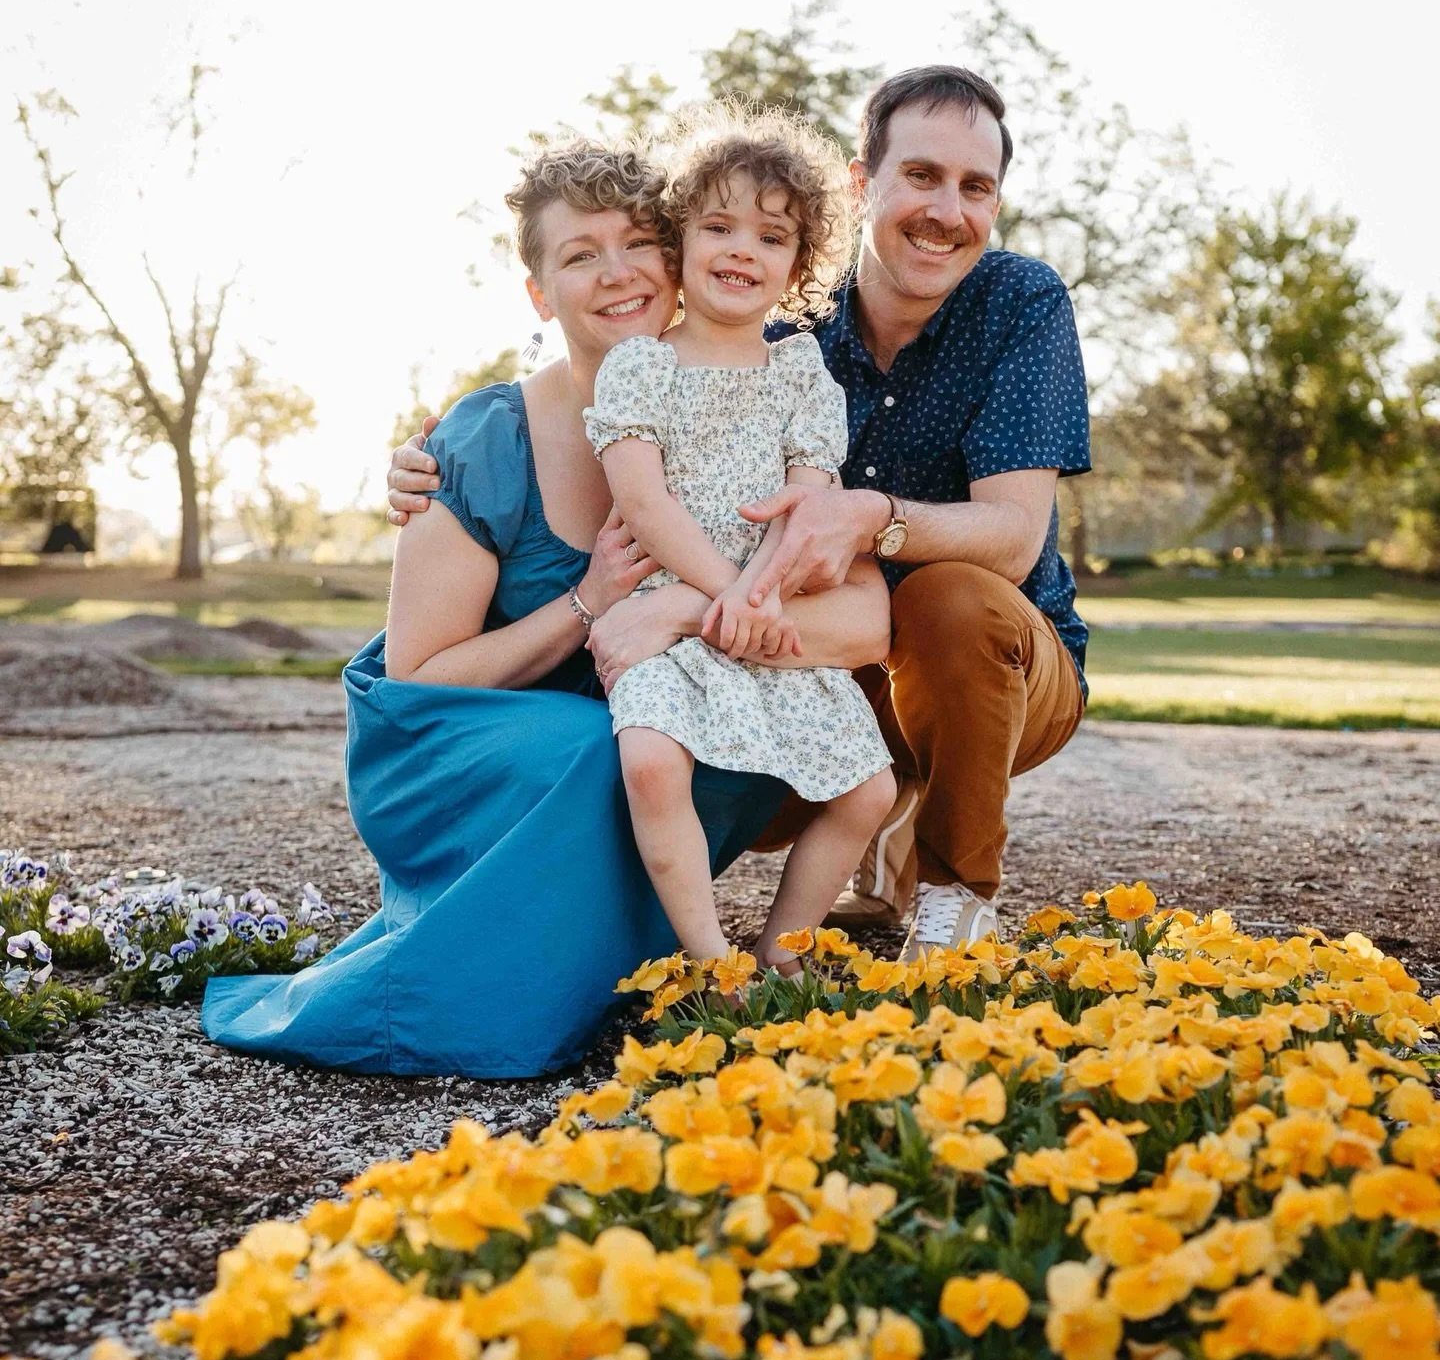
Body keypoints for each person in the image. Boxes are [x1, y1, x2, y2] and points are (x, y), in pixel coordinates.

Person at [201, 142, 890, 1077]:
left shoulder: (743, 403)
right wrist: (590, 600)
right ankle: (496, 995)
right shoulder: (480, 442)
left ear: (676, 253)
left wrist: (686, 607)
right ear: (539, 294)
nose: (616, 273)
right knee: (605, 749)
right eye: (578, 255)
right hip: (457, 741)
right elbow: (419, 679)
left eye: (638, 242)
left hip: (623, 717)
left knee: (698, 733)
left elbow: (865, 623)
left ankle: (664, 962)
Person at [389, 66, 1092, 962]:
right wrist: (439, 461)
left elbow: (1015, 536)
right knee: (719, 749)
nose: (946, 209)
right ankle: (751, 933)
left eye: (975, 187)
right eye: (920, 175)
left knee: (947, 601)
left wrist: (856, 521)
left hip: (975, 662)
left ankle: (953, 889)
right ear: (860, 181)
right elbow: (600, 372)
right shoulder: (788, 315)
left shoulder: (1015, 303)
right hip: (812, 637)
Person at [584, 110, 895, 970]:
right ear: (680, 239)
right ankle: (709, 955)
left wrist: (755, 595)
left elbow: (809, 499)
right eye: (718, 226)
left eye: (770, 235)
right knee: (651, 764)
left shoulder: (800, 368)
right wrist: (730, 595)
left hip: (768, 608)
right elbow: (643, 503)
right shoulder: (642, 363)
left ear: (798, 265)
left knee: (867, 790)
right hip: (680, 614)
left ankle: (778, 953)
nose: (740, 250)